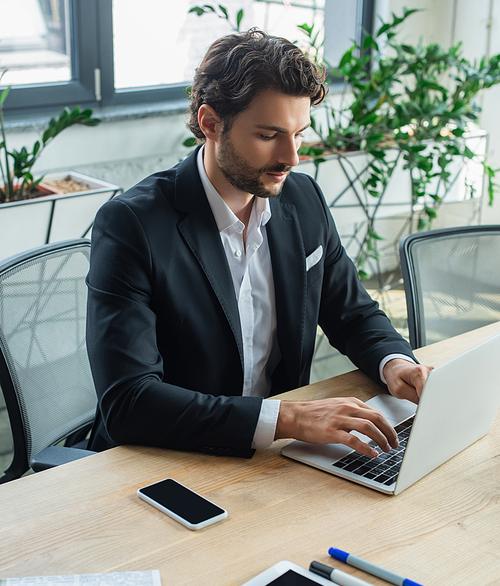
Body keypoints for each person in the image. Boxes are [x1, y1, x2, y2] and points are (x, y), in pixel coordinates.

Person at [86, 28, 431, 459]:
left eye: (299, 133)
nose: (292, 157)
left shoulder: (304, 200)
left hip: (275, 458)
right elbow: (129, 403)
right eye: (269, 136)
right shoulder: (132, 225)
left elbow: (352, 314)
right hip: (164, 459)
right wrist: (288, 418)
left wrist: (394, 363)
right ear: (211, 123)